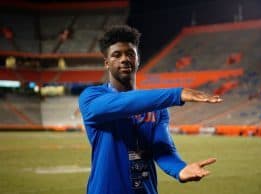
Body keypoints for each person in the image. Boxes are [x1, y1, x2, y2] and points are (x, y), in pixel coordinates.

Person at [78, 25, 223, 194]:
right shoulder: (91, 97)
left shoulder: (157, 108)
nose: (124, 59)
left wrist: (179, 169)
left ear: (138, 59)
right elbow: (124, 103)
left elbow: (162, 148)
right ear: (107, 63)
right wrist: (177, 94)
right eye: (116, 55)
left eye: (130, 54)